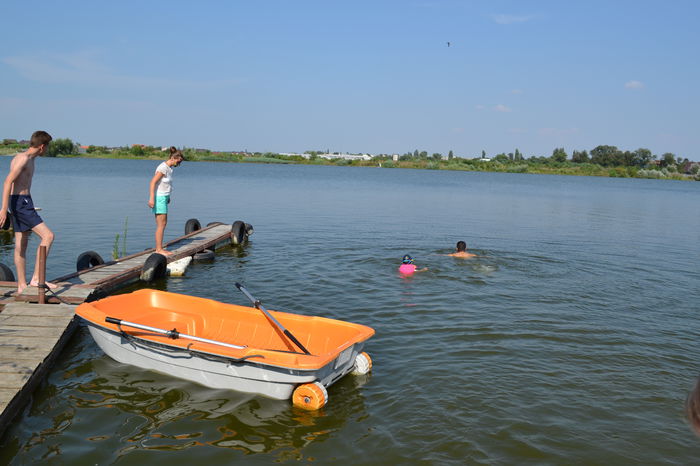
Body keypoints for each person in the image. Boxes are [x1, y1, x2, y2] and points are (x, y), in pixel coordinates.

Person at [0, 130, 57, 294]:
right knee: (48, 236)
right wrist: (4, 209)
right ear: (41, 146)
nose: (47, 150)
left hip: (22, 202)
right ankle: (37, 279)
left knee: (21, 243)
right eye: (47, 147)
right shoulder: (23, 160)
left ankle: (22, 285)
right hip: (20, 203)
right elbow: (7, 181)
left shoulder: (29, 159)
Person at [148, 147, 184, 255]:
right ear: (173, 158)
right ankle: (159, 250)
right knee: (161, 224)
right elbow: (152, 183)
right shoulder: (163, 168)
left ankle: (159, 248)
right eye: (179, 161)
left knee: (163, 224)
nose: (179, 163)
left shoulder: (169, 168)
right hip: (159, 198)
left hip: (163, 198)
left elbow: (165, 185)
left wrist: (168, 197)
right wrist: (151, 198)